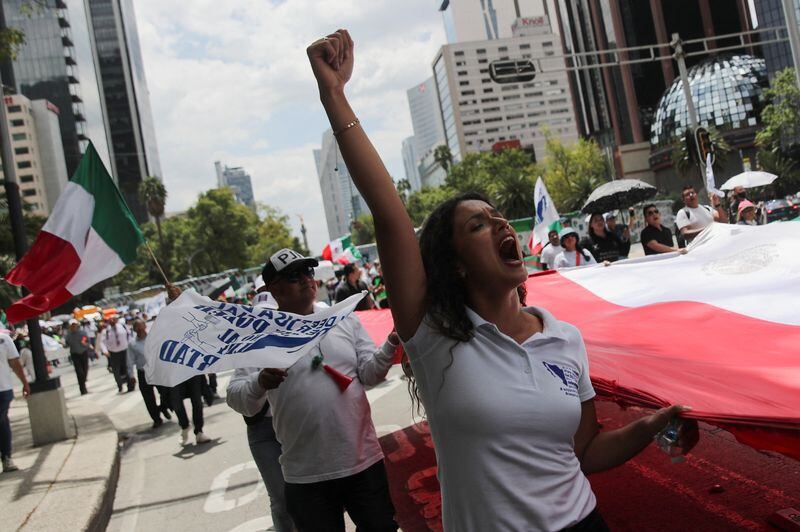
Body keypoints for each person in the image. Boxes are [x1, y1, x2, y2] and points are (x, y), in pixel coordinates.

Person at [307, 30, 699, 530]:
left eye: (497, 217)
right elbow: (389, 212)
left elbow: (584, 450)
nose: (498, 224)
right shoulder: (433, 339)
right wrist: (334, 95)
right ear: (456, 265)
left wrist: (651, 425)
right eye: (477, 225)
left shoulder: (564, 339)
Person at [236, 248, 398, 531]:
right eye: (293, 275)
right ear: (274, 288)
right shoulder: (260, 337)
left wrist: (392, 344)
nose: (305, 279)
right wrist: (260, 382)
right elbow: (240, 400)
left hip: (362, 462)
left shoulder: (343, 318)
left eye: (308, 272)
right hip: (306, 476)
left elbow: (370, 375)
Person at [226, 278, 294, 532]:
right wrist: (259, 383)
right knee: (281, 499)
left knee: (316, 492)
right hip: (264, 433)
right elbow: (234, 394)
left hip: (296, 425)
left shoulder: (297, 335)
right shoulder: (247, 347)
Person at [164, 286, 212, 446]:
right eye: (173, 296)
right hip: (175, 367)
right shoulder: (167, 318)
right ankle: (184, 426)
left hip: (192, 366)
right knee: (177, 402)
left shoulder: (191, 314)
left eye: (179, 295)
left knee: (197, 402)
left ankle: (199, 431)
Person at [127, 319, 172, 429]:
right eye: (137, 328)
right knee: (148, 398)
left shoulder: (154, 338)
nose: (140, 329)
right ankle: (156, 418)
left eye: (141, 327)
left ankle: (163, 407)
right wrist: (131, 375)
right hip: (143, 373)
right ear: (134, 330)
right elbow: (130, 360)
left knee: (166, 392)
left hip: (157, 370)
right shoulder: (132, 344)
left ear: (145, 327)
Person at [0, 331, 30, 472]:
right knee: (3, 421)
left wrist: (25, 382)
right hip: (4, 389)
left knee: (2, 420)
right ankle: (6, 457)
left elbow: (14, 363)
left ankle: (6, 457)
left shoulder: (4, 339)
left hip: (3, 389)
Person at [99, 315, 134, 392]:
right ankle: (120, 385)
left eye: (113, 319)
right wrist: (105, 351)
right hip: (113, 353)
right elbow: (102, 342)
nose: (112, 321)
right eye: (110, 320)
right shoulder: (106, 331)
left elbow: (130, 336)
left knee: (127, 368)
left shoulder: (123, 327)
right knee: (116, 370)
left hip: (124, 350)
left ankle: (130, 385)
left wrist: (130, 346)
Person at [64, 320, 91, 395]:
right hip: (75, 354)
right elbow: (67, 344)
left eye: (74, 325)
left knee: (85, 369)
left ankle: (84, 381)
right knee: (79, 372)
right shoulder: (68, 335)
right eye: (72, 326)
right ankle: (82, 389)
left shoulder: (82, 333)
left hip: (83, 353)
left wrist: (85, 344)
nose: (73, 327)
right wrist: (64, 345)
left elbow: (88, 342)